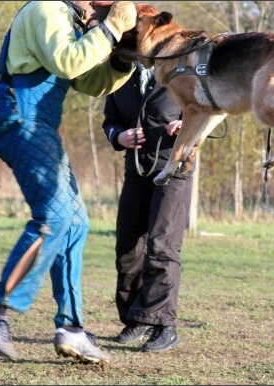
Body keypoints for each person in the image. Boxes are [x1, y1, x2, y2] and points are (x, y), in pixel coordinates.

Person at [0, 1, 137, 364]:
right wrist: (109, 30)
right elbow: (67, 61)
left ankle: (71, 328)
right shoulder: (46, 9)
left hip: (39, 123)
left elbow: (88, 81)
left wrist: (122, 57)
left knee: (76, 221)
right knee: (56, 217)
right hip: (20, 117)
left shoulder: (70, 19)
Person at [102, 62, 195, 353]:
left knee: (162, 245)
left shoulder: (182, 70)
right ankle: (136, 317)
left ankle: (165, 326)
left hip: (174, 165)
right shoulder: (118, 73)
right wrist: (119, 136)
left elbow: (203, 109)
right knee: (128, 246)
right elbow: (110, 120)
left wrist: (185, 124)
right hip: (137, 168)